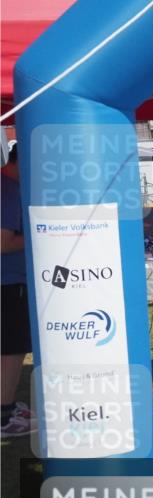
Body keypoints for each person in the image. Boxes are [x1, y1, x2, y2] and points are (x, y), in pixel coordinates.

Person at [1, 146, 35, 437]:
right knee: (11, 351)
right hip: (9, 282)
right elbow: (2, 243)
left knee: (10, 348)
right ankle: (4, 415)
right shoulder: (8, 190)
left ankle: (7, 408)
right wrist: (39, 232)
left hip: (10, 281)